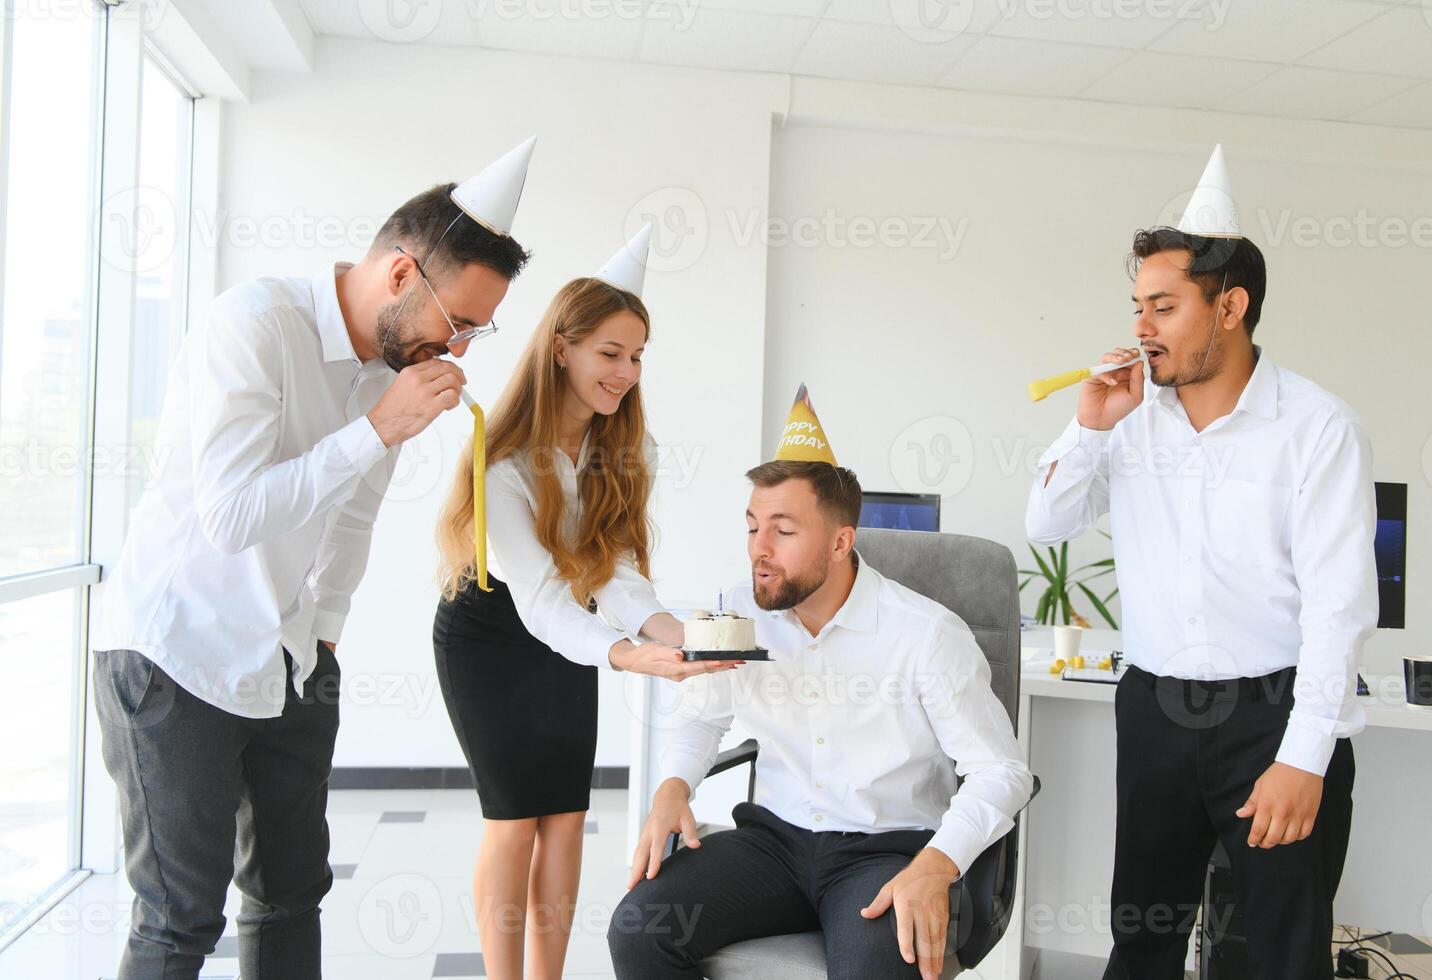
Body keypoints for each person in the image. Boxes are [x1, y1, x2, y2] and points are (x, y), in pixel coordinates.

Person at [89, 137, 538, 980]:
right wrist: (375, 429)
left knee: (292, 891)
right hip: (174, 654)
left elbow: (351, 518)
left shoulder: (393, 366)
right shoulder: (255, 326)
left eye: (481, 328)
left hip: (291, 661)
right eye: (462, 322)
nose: (465, 347)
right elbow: (230, 517)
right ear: (403, 276)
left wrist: (323, 637)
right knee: (180, 917)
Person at [1025, 145, 1375, 979]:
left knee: (1279, 953)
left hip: (1272, 709)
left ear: (1230, 307)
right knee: (1141, 939)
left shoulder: (1316, 428)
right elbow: (1045, 524)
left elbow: (1337, 606)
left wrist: (1302, 757)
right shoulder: (1129, 415)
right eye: (1137, 305)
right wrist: (1089, 426)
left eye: (1163, 306)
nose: (1140, 327)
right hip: (1153, 707)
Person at [609, 385, 1033, 980]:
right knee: (639, 931)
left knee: (877, 968)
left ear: (840, 541)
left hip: (882, 849)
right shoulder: (738, 614)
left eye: (783, 530)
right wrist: (673, 787)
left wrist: (938, 862)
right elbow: (703, 714)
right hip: (773, 844)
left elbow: (1001, 772)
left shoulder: (926, 635)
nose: (759, 549)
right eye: (753, 526)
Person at [432, 226, 732, 980]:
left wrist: (676, 634)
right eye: (610, 353)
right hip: (491, 633)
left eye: (636, 357)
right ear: (560, 347)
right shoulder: (499, 460)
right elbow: (534, 601)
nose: (627, 373)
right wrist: (628, 654)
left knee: (565, 818)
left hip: (573, 626)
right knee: (512, 820)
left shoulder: (625, 451)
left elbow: (617, 575)